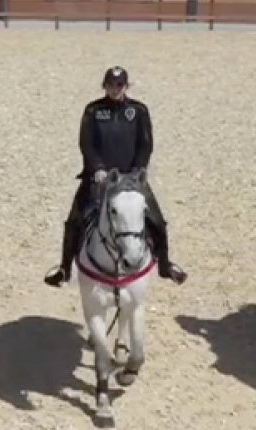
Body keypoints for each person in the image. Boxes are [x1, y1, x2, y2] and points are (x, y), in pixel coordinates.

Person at [43, 66, 187, 287]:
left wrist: (140, 169)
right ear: (105, 86)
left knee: (157, 220)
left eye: (119, 85)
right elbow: (86, 144)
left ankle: (165, 265)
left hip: (131, 178)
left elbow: (145, 144)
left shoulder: (139, 111)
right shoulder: (93, 110)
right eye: (110, 84)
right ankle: (64, 269)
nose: (115, 89)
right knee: (74, 220)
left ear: (126, 86)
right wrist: (97, 168)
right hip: (99, 178)